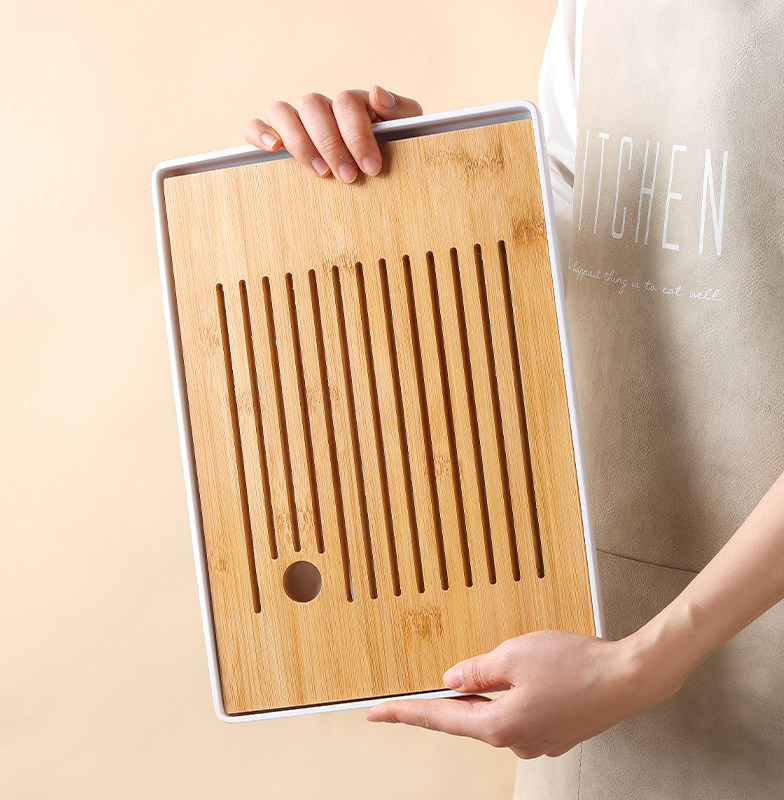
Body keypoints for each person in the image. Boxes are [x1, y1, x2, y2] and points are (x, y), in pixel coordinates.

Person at [244, 1, 784, 795]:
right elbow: (568, 253)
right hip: (587, 670)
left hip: (684, 669)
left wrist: (643, 665)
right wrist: (405, 181)